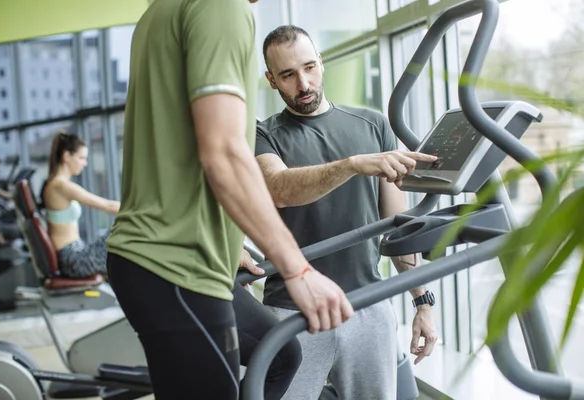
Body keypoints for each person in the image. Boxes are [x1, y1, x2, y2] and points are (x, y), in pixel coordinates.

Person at [104, 0, 354, 399]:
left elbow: (180, 145)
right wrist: (298, 271)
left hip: (176, 255)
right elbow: (222, 152)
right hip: (176, 262)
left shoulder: (161, 11)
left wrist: (228, 233)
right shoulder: (221, 7)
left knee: (280, 355)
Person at [255, 25, 440, 400]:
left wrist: (422, 302)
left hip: (367, 304)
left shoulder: (373, 125)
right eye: (288, 75)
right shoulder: (263, 135)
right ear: (271, 80)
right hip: (293, 311)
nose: (303, 83)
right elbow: (279, 189)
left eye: (309, 67)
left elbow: (397, 228)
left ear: (321, 62)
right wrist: (352, 165)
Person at [41, 131, 120, 278]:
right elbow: (107, 206)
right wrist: (138, 211)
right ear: (66, 156)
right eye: (81, 158)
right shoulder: (59, 185)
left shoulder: (56, 184)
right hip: (73, 260)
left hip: (76, 252)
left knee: (121, 239)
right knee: (122, 231)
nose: (85, 163)